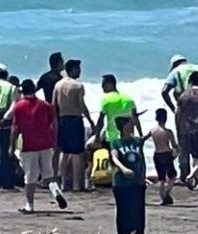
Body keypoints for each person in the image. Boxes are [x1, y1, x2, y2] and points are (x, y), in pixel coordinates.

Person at [10, 79, 65, 213]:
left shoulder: (19, 106)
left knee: (30, 177)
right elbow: (54, 124)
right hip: (46, 143)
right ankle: (56, 192)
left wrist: (11, 145)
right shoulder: (45, 105)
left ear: (22, 91)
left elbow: (15, 128)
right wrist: (55, 140)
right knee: (48, 174)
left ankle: (30, 205)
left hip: (28, 145)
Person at [54, 59, 96, 192]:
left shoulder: (58, 85)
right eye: (78, 69)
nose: (80, 72)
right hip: (75, 119)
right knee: (77, 152)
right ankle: (76, 184)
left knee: (64, 151)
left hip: (62, 119)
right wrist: (90, 120)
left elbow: (53, 104)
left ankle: (62, 183)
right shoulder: (78, 86)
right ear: (72, 70)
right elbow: (81, 105)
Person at [110, 117, 147, 234]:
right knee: (123, 210)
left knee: (138, 210)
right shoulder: (116, 142)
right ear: (124, 127)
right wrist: (124, 169)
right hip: (121, 183)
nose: (132, 127)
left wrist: (143, 177)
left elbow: (142, 159)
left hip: (137, 182)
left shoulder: (137, 141)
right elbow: (114, 158)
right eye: (130, 124)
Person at [91, 74, 142, 150]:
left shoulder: (106, 99)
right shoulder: (128, 99)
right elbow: (135, 119)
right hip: (127, 138)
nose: (102, 86)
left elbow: (101, 121)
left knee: (89, 147)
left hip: (112, 138)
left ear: (110, 84)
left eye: (103, 84)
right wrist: (141, 135)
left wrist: (97, 137)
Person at [143, 108, 178, 205]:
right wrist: (178, 150)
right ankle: (167, 192)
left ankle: (163, 198)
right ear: (166, 118)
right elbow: (174, 145)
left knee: (161, 178)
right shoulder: (168, 132)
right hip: (166, 154)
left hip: (157, 154)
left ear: (156, 118)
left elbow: (143, 139)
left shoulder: (153, 131)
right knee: (172, 176)